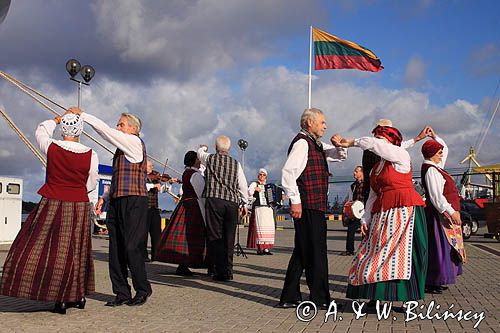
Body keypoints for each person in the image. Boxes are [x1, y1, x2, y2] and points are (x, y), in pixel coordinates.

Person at [0, 112, 98, 314]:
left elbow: (41, 130)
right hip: (78, 203)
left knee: (44, 247)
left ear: (63, 129)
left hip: (52, 200)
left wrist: (56, 119)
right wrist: (77, 188)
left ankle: (58, 297)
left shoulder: (51, 146)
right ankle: (77, 296)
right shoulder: (91, 153)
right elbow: (91, 181)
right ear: (80, 130)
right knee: (76, 250)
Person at [332, 124, 427, 307]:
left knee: (407, 254)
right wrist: (365, 219)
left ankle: (408, 298)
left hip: (405, 210)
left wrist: (350, 142)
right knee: (375, 253)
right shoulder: (375, 169)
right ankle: (376, 295)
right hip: (382, 214)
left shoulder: (401, 156)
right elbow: (372, 196)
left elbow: (374, 145)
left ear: (391, 142)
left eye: (381, 140)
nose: (377, 143)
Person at [74, 108, 152, 307]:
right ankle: (121, 293)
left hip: (134, 200)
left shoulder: (134, 142)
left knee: (131, 247)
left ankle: (142, 290)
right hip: (118, 200)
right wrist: (104, 197)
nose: (118, 127)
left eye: (121, 124)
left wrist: (84, 115)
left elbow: (105, 131)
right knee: (115, 247)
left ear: (134, 129)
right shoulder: (122, 148)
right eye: (118, 124)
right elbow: (119, 177)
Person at [278, 108, 347, 309]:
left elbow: (338, 155)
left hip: (314, 205)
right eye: (322, 122)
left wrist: (340, 146)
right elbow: (288, 172)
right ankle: (321, 299)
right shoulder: (302, 143)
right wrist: (295, 200)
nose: (325, 125)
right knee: (317, 252)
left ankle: (289, 297)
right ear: (310, 123)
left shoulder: (315, 143)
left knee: (302, 251)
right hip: (308, 204)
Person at [197, 136, 249, 281]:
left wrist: (203, 147)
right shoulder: (236, 164)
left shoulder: (209, 158)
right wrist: (244, 203)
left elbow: (199, 153)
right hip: (232, 203)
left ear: (215, 147)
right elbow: (242, 185)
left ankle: (218, 270)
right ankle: (228, 270)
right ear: (229, 148)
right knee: (229, 237)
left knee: (215, 236)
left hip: (215, 200)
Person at [420, 129, 465, 294]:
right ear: (432, 154)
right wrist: (451, 212)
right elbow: (436, 197)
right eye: (438, 153)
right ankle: (432, 280)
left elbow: (444, 148)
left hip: (441, 215)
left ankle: (437, 279)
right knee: (437, 248)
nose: (441, 155)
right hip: (437, 216)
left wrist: (434, 136)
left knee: (444, 248)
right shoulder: (431, 170)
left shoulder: (435, 166)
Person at [156, 151, 208, 276]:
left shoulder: (187, 172)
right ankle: (189, 263)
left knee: (184, 235)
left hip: (185, 205)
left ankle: (183, 264)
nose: (200, 161)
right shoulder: (195, 175)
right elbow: (201, 193)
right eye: (198, 159)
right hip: (193, 207)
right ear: (194, 160)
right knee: (194, 235)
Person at [362, 120, 432, 203]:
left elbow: (400, 146)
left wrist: (418, 138)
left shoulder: (387, 148)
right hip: (379, 195)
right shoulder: (374, 149)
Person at [144, 159, 177, 262]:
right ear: (144, 166)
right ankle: (143, 256)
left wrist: (169, 183)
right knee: (143, 234)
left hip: (154, 208)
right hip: (144, 209)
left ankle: (156, 255)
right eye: (150, 166)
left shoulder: (155, 177)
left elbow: (162, 189)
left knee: (156, 234)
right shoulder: (140, 176)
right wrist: (154, 185)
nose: (152, 168)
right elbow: (141, 187)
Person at [246, 168, 276, 255]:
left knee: (269, 228)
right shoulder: (254, 184)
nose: (262, 176)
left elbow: (273, 198)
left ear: (266, 176)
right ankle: (259, 249)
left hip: (268, 209)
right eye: (260, 174)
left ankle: (266, 248)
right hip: (259, 208)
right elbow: (249, 192)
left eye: (264, 175)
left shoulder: (269, 186)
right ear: (258, 175)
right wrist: (254, 189)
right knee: (260, 229)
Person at [341, 166, 364, 256]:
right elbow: (350, 199)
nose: (354, 173)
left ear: (362, 173)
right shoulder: (353, 186)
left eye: (356, 171)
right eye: (354, 171)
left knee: (365, 231)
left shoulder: (368, 184)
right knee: (350, 229)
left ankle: (364, 251)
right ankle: (349, 250)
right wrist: (347, 207)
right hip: (355, 212)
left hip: (365, 211)